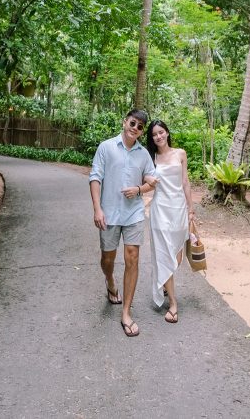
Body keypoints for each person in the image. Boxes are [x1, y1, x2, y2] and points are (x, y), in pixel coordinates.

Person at [89, 109, 157, 337]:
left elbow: (151, 181)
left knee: (133, 257)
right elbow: (95, 177)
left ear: (141, 131)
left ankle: (126, 312)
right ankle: (109, 280)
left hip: (134, 214)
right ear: (125, 121)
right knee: (107, 259)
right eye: (133, 123)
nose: (135, 128)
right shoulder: (106, 147)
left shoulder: (144, 154)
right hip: (108, 214)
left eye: (139, 126)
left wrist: (139, 188)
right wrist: (97, 209)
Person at [146, 119, 194, 324]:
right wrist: (146, 183)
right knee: (165, 256)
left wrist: (191, 208)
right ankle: (173, 303)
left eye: (161, 132)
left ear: (167, 132)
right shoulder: (151, 158)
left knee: (176, 257)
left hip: (178, 210)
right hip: (160, 211)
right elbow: (145, 183)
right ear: (152, 138)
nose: (159, 136)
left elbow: (185, 181)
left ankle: (167, 284)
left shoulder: (180, 153)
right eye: (155, 134)